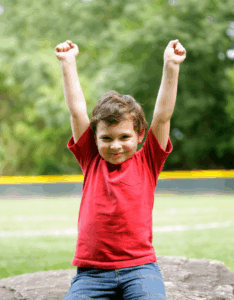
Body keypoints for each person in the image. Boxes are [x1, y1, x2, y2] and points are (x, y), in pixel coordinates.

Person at [54, 39, 186, 300]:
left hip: (140, 269)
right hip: (91, 273)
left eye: (124, 137)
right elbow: (77, 113)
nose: (115, 146)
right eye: (106, 138)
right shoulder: (91, 159)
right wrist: (67, 64)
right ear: (95, 138)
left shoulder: (149, 159)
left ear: (139, 135)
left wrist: (171, 66)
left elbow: (162, 116)